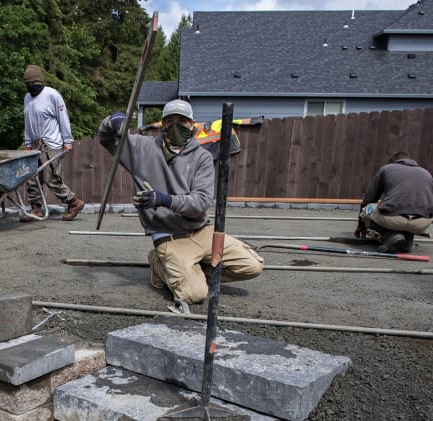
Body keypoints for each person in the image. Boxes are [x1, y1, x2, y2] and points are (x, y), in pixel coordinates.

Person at [97, 99, 264, 312]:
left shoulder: (201, 157)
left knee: (252, 266)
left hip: (201, 231)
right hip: (168, 236)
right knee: (194, 295)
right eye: (170, 120)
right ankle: (160, 264)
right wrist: (114, 120)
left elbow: (201, 202)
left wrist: (164, 200)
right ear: (162, 124)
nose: (175, 125)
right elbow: (106, 138)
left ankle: (191, 269)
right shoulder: (141, 148)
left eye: (182, 121)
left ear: (192, 125)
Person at [22, 64, 85, 221]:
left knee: (51, 178)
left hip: (51, 145)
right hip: (35, 145)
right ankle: (36, 209)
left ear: (40, 82)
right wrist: (28, 143)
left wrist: (68, 140)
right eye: (29, 84)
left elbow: (63, 119)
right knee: (32, 177)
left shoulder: (52, 95)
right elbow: (28, 122)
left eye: (34, 84)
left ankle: (74, 202)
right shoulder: (27, 98)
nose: (32, 87)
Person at [359, 152, 433, 253]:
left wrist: (361, 226)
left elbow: (370, 198)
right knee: (409, 214)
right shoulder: (426, 173)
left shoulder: (386, 169)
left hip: (393, 218)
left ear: (393, 162)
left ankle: (390, 236)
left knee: (367, 209)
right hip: (422, 222)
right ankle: (408, 239)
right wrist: (419, 225)